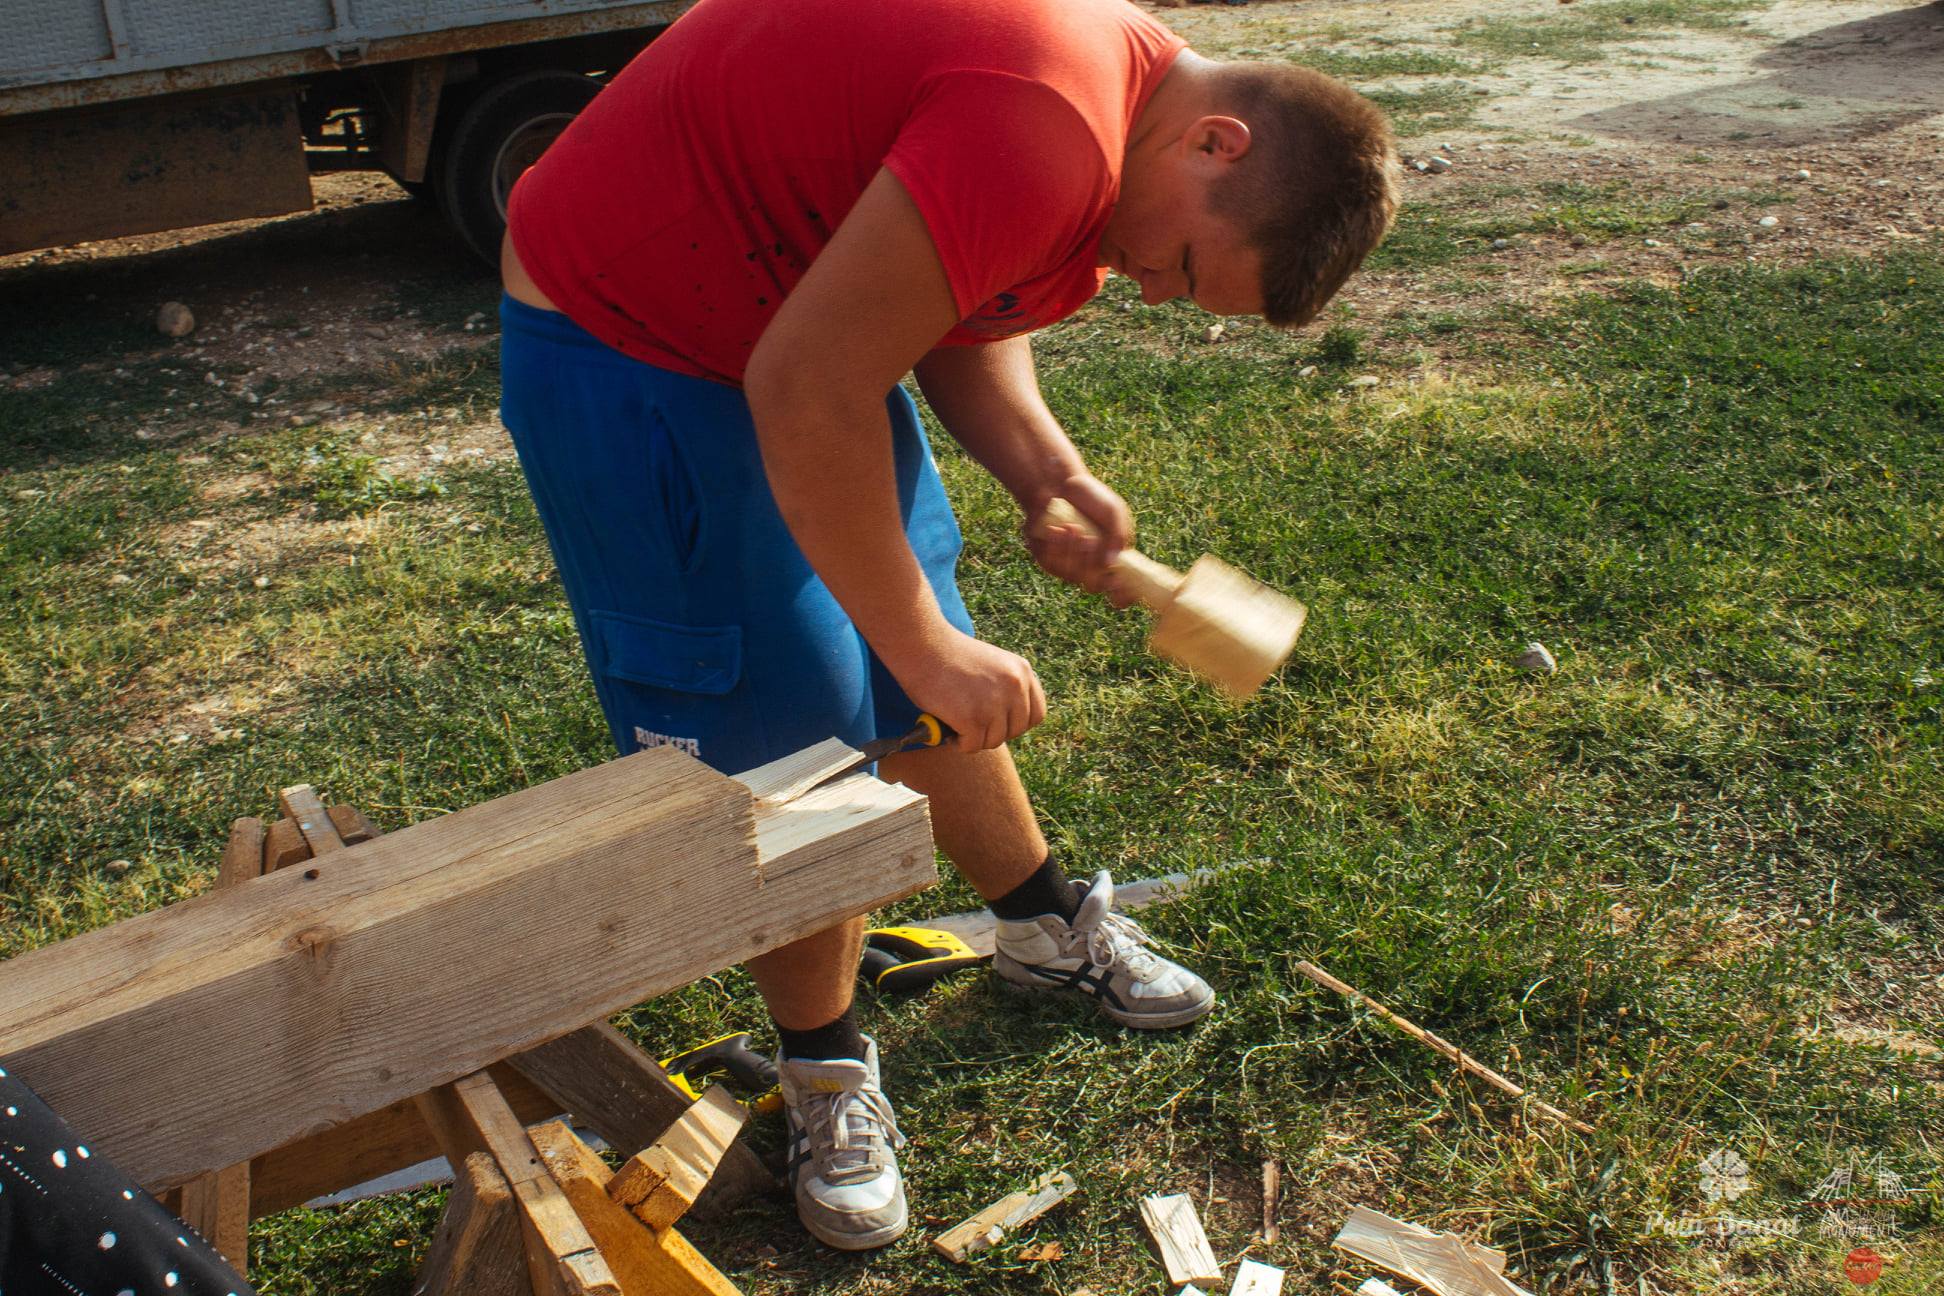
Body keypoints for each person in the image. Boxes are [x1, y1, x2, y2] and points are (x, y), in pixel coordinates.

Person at [498, 0, 1398, 1251]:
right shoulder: (1046, 118)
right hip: (634, 330)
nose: (1150, 289)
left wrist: (1046, 472)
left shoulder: (1119, 102)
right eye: (1185, 269)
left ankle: (1040, 922)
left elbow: (962, 302)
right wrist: (923, 646)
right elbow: (807, 386)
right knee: (788, 731)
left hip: (789, 320)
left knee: (897, 629)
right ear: (1218, 143)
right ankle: (823, 1067)